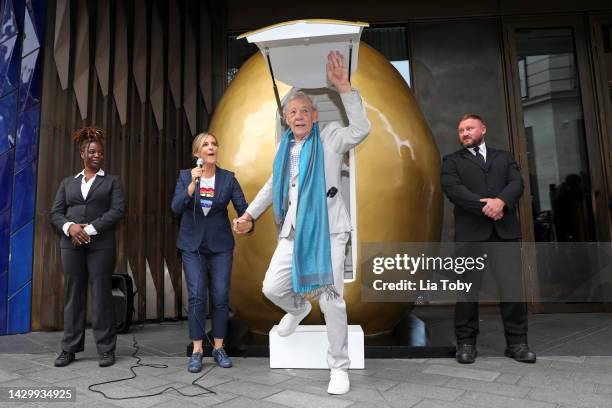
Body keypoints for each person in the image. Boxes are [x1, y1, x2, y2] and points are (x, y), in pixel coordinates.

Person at [233, 51, 371, 394]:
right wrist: (249, 213)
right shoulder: (283, 151)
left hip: (330, 231)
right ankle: (296, 309)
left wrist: (344, 88)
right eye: (292, 112)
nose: (298, 116)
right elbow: (271, 186)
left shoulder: (331, 137)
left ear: (313, 115)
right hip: (294, 230)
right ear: (285, 117)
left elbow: (361, 128)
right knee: (272, 288)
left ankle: (339, 367)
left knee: (331, 298)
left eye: (304, 111)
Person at [441, 114, 536, 364]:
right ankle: (466, 344)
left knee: (512, 289)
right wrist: (488, 206)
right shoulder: (451, 161)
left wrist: (502, 202)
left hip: (504, 233)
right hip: (470, 235)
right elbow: (453, 190)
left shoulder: (504, 157)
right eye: (461, 130)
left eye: (469, 128)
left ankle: (517, 344)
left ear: (483, 129)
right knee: (466, 291)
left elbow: (517, 184)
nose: (465, 133)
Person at [171, 132, 252, 373]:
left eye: (214, 143)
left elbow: (243, 209)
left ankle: (218, 348)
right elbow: (175, 207)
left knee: (219, 296)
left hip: (220, 246)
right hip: (192, 246)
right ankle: (197, 351)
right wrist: (190, 186)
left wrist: (245, 221)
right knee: (196, 296)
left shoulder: (228, 179)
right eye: (205, 144)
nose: (211, 147)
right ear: (197, 154)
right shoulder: (186, 176)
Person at [50, 126, 125, 367]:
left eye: (100, 153)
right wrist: (71, 227)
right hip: (71, 245)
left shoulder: (112, 181)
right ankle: (69, 348)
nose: (97, 156)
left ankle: (106, 349)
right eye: (92, 152)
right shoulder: (67, 183)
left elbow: (117, 211)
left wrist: (88, 229)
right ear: (82, 153)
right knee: (74, 294)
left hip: (101, 245)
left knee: (102, 294)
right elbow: (56, 213)